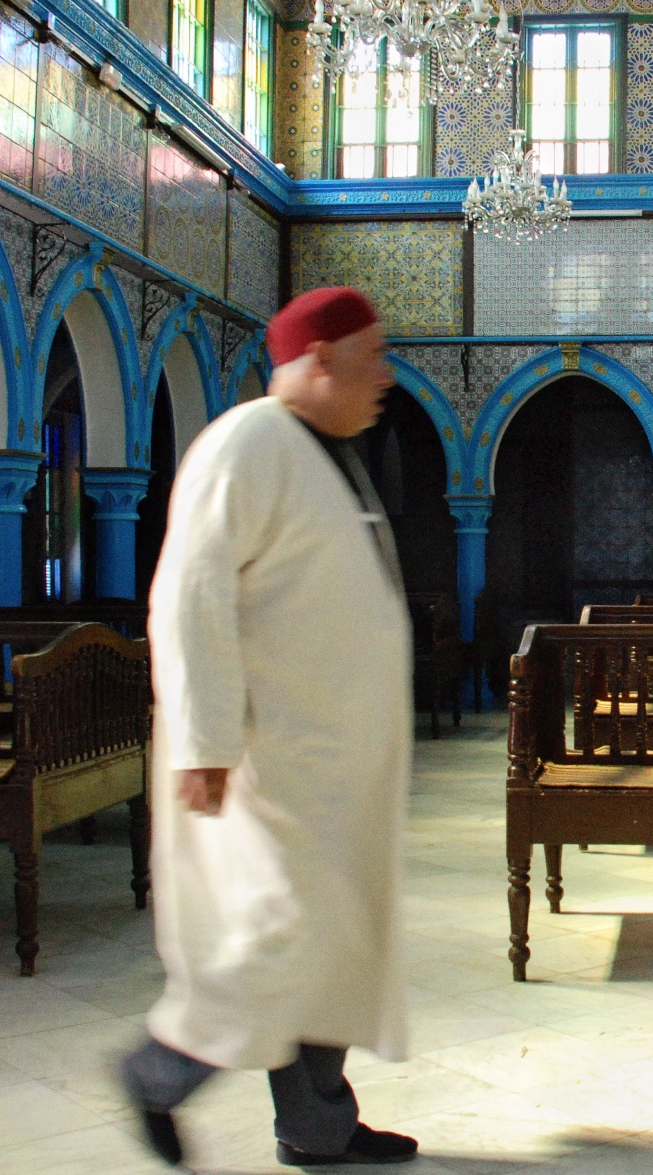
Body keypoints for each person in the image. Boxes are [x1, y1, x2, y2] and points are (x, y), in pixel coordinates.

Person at [120, 286, 418, 1168]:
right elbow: (190, 591)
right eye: (373, 356)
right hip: (270, 760)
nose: (386, 376)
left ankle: (318, 1126)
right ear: (320, 359)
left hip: (331, 764)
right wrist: (206, 742)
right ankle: (157, 1073)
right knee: (278, 942)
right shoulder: (248, 440)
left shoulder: (322, 450)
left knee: (328, 947)